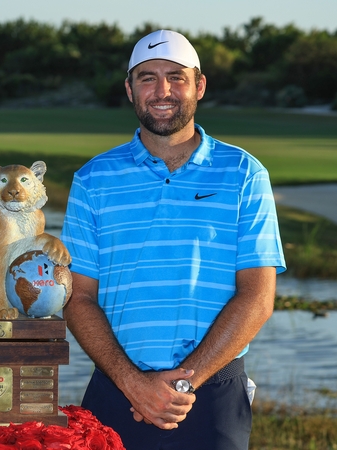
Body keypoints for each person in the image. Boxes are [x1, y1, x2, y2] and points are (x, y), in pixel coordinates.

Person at [61, 30, 286, 450]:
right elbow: (77, 297)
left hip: (212, 391)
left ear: (199, 86)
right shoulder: (93, 179)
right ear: (130, 89)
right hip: (117, 391)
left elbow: (258, 296)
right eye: (147, 77)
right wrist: (134, 384)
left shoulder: (243, 173)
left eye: (176, 77)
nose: (162, 90)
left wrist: (182, 382)